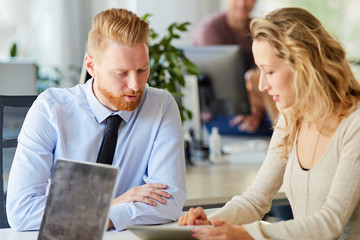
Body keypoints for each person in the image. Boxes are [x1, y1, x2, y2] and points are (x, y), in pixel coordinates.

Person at [179, 7, 360, 239]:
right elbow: (256, 200)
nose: (261, 85)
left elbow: (330, 222)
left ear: (302, 64)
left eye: (270, 71)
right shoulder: (291, 117)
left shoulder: (354, 126)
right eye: (259, 71)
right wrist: (213, 223)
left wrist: (246, 233)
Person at [7, 8, 186, 231]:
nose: (136, 85)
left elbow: (169, 201)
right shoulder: (50, 110)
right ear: (91, 66)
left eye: (143, 70)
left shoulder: (161, 106)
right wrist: (112, 205)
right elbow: (22, 213)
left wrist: (88, 215)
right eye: (121, 73)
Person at [193, 0, 277, 136]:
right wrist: (263, 104)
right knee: (277, 124)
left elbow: (264, 76)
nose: (242, 4)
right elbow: (222, 87)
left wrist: (258, 108)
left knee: (282, 121)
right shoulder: (210, 29)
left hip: (252, 103)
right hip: (219, 110)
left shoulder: (259, 28)